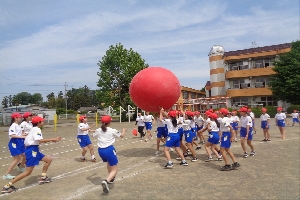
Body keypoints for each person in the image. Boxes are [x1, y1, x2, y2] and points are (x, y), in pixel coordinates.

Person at [2, 116, 62, 194]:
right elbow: (39, 140)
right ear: (38, 123)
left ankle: (43, 177)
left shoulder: (34, 129)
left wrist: (52, 140)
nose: (44, 122)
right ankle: (7, 186)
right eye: (42, 121)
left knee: (48, 160)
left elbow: (38, 141)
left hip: (34, 149)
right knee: (28, 172)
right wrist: (53, 139)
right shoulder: (37, 129)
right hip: (32, 151)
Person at [92, 115, 126, 194]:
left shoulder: (98, 130)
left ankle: (110, 179)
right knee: (115, 169)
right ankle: (106, 181)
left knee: (108, 162)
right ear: (109, 122)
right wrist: (123, 130)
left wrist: (95, 131)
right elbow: (122, 136)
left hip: (101, 151)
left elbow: (93, 135)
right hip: (109, 150)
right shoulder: (112, 130)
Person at [2, 113, 27, 180]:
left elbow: (20, 133)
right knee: (16, 159)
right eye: (20, 117)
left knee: (25, 156)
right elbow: (12, 135)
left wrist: (27, 134)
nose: (21, 118)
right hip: (14, 143)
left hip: (19, 143)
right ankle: (6, 174)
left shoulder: (18, 125)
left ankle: (21, 167)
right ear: (15, 118)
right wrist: (22, 136)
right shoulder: (13, 126)